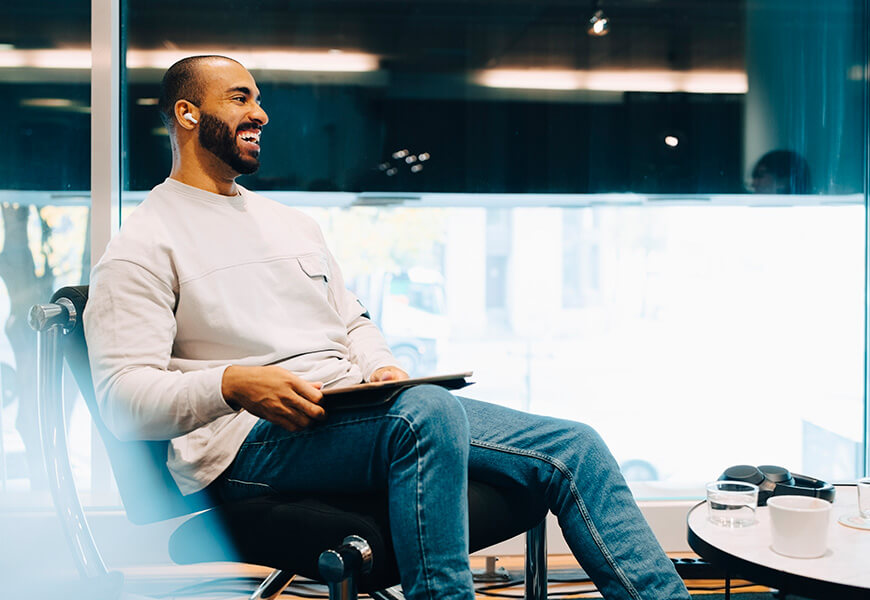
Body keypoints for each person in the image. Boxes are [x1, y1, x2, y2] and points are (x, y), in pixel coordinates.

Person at [84, 55, 690, 600]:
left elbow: (351, 319)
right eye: (240, 98)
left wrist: (379, 366)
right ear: (187, 114)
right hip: (249, 441)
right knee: (424, 411)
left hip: (354, 409)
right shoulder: (142, 245)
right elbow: (122, 401)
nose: (261, 113)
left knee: (573, 446)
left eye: (259, 98)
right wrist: (231, 383)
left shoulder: (290, 224)